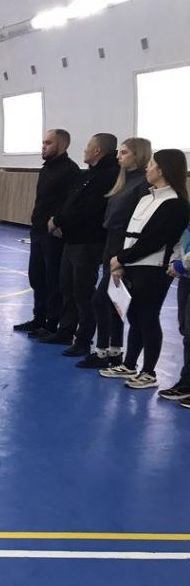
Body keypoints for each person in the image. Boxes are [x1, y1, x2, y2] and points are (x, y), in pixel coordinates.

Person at [100, 150, 190, 389]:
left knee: (148, 317)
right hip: (132, 265)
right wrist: (121, 262)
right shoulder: (146, 198)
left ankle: (149, 372)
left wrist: (122, 259)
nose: (147, 169)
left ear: (162, 169)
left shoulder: (175, 204)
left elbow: (153, 240)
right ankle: (129, 364)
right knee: (134, 316)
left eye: (151, 164)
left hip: (153, 268)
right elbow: (130, 234)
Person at [41, 133, 121, 354]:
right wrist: (60, 222)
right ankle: (66, 330)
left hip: (89, 241)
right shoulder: (89, 174)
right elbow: (71, 202)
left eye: (88, 146)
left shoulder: (108, 175)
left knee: (83, 291)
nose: (84, 150)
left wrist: (59, 221)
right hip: (72, 238)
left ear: (97, 150)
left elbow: (88, 208)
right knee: (67, 287)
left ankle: (84, 338)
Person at [77, 138, 151, 369]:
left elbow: (136, 223)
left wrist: (122, 257)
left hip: (122, 247)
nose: (119, 156)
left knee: (101, 300)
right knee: (111, 301)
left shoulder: (141, 184)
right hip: (111, 244)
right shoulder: (123, 181)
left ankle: (103, 351)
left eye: (125, 153)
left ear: (138, 155)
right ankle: (113, 350)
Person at [14, 129, 82, 335]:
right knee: (37, 277)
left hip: (54, 233)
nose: (43, 146)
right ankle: (39, 318)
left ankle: (52, 323)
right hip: (38, 230)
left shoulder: (71, 171)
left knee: (53, 280)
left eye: (48, 143)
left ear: (62, 145)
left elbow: (72, 203)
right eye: (43, 142)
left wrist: (61, 224)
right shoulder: (46, 169)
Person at [160, 225, 190, 405]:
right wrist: (175, 260)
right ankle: (186, 382)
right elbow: (181, 241)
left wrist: (182, 264)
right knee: (185, 329)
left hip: (186, 268)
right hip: (186, 277)